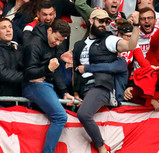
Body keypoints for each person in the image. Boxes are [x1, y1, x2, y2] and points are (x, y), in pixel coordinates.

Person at [74, 9, 140, 153]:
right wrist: (76, 93)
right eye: (100, 21)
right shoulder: (79, 45)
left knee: (83, 114)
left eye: (106, 22)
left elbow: (130, 46)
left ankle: (102, 148)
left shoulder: (109, 40)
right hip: (84, 89)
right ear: (91, 21)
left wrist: (136, 26)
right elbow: (75, 71)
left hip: (100, 87)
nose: (104, 24)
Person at [22, 19, 74, 153]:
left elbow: (55, 69)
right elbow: (28, 73)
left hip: (45, 84)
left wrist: (64, 92)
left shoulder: (54, 44)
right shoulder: (34, 44)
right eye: (56, 39)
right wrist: (47, 69)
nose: (57, 43)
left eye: (61, 41)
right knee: (61, 117)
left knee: (59, 117)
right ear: (49, 30)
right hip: (33, 85)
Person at [0, 18, 23, 104]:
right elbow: (2, 73)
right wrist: (27, 76)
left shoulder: (16, 50)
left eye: (10, 27)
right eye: (3, 28)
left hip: (16, 99)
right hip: (2, 101)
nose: (8, 30)